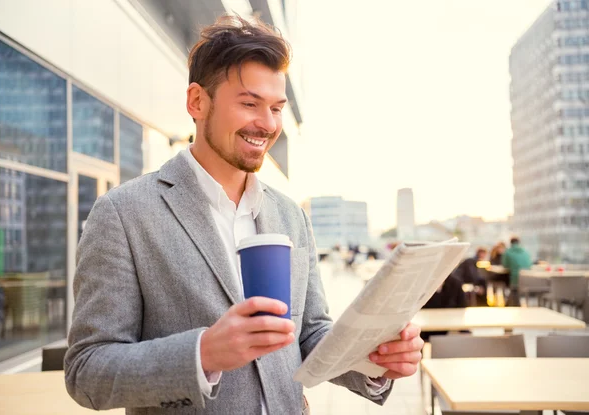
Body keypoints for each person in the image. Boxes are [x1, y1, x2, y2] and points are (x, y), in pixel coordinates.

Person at [64, 15, 423, 414]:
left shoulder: (290, 215)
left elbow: (308, 333)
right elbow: (87, 371)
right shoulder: (123, 214)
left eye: (276, 108)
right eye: (250, 104)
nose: (268, 125)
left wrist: (374, 359)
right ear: (197, 102)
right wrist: (203, 353)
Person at [420, 273, 467, 342]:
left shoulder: (455, 283)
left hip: (450, 330)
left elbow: (463, 308)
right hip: (427, 331)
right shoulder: (423, 285)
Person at [502, 237, 532, 307]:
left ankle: (513, 306)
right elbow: (529, 265)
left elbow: (505, 265)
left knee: (513, 288)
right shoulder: (525, 251)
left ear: (511, 243)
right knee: (514, 290)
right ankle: (508, 305)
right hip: (528, 278)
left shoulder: (508, 252)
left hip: (515, 278)